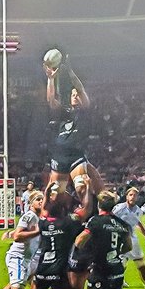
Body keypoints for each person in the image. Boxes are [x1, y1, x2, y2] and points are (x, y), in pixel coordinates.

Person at [27, 183, 82, 289]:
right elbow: (83, 213)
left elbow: (44, 209)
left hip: (43, 266)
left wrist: (46, 191)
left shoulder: (43, 223)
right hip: (59, 269)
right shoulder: (67, 224)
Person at [44, 57, 103, 196]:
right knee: (56, 193)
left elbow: (80, 88)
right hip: (60, 156)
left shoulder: (85, 111)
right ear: (69, 98)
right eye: (73, 94)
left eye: (78, 95)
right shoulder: (64, 112)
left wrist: (70, 73)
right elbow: (51, 100)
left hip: (76, 154)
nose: (76, 96)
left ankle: (91, 207)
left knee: (82, 186)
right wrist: (51, 79)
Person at [112, 186, 145, 289]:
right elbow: (110, 219)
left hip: (133, 242)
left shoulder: (138, 211)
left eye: (135, 195)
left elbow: (138, 224)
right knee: (119, 267)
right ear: (126, 196)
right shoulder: (119, 208)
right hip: (120, 241)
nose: (132, 197)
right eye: (130, 195)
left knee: (141, 266)